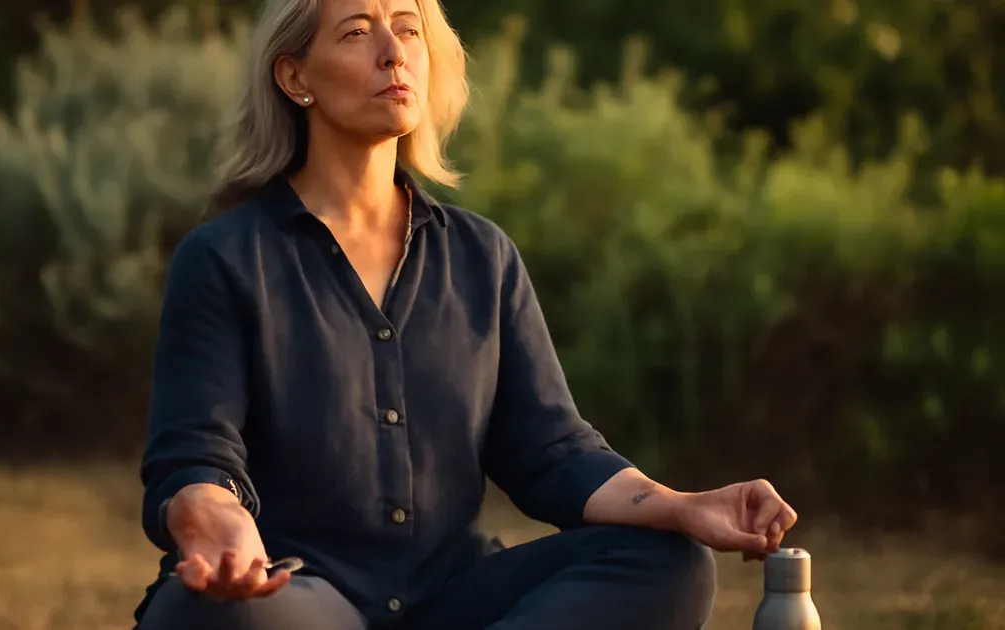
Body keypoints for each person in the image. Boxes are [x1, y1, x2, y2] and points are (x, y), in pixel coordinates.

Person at [133, 0, 799, 628]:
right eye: (358, 31)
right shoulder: (223, 258)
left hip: (456, 598)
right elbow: (195, 455)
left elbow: (553, 452)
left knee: (670, 561)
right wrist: (213, 518)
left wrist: (683, 507)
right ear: (294, 75)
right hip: (300, 598)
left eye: (409, 28)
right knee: (214, 611)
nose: (394, 53)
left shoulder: (482, 256)